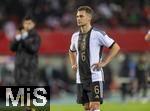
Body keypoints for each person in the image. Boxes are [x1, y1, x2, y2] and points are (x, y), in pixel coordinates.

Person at [69, 6, 120, 111]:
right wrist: (73, 63)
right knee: (87, 107)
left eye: (81, 16)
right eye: (77, 16)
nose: (78, 18)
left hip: (95, 77)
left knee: (95, 106)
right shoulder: (75, 36)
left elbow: (115, 47)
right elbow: (71, 51)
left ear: (89, 18)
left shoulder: (98, 34)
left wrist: (104, 62)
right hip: (80, 78)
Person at [10, 14, 41, 111]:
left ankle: (29, 108)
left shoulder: (36, 36)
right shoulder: (19, 35)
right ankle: (27, 108)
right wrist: (17, 39)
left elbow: (33, 49)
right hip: (19, 68)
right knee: (20, 91)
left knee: (30, 90)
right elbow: (12, 48)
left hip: (30, 69)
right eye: (25, 23)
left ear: (34, 24)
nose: (27, 25)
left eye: (29, 23)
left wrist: (23, 39)